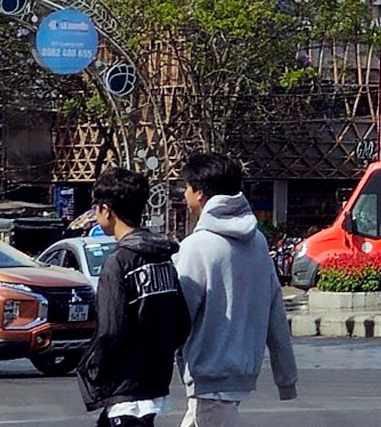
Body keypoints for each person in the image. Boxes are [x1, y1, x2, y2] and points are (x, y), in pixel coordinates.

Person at [174, 153, 298, 427]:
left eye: (185, 187)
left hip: (209, 377)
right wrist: (286, 378)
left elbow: (178, 317)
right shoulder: (257, 241)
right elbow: (275, 309)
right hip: (237, 375)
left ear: (200, 192)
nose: (184, 194)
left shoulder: (198, 245)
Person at [78, 167, 190, 427]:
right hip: (154, 380)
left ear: (106, 210)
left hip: (124, 386)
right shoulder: (162, 258)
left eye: (96, 208)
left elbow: (110, 329)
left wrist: (93, 366)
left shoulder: (118, 262)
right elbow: (182, 322)